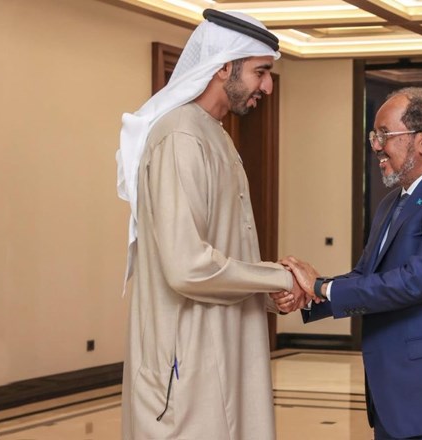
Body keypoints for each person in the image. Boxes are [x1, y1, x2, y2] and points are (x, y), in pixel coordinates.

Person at [275, 87, 422, 439]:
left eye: (385, 134)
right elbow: (367, 276)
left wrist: (321, 286)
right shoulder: (392, 203)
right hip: (396, 397)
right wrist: (310, 295)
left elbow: (416, 281)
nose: (376, 146)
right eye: (374, 136)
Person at [115, 9, 300, 440]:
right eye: (260, 72)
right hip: (187, 367)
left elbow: (224, 251)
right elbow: (187, 267)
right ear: (223, 67)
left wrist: (270, 291)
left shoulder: (214, 134)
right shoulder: (180, 136)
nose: (268, 87)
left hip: (224, 350)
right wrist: (279, 276)